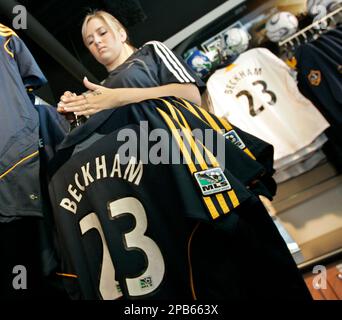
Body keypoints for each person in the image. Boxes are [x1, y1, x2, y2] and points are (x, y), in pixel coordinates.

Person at [57, 10, 205, 117]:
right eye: (90, 41)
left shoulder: (150, 51)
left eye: (102, 33)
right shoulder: (102, 90)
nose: (96, 41)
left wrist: (119, 97)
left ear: (122, 34)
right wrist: (74, 110)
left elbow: (191, 95)